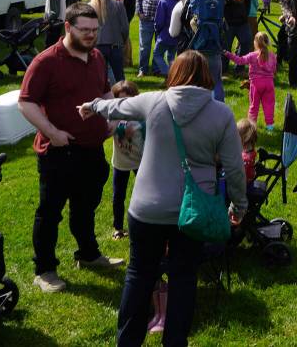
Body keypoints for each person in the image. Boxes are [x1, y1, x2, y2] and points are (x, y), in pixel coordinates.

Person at [81, 51, 247, 346]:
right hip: (193, 213)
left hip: (147, 208)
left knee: (139, 274)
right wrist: (239, 206)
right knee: (184, 278)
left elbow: (117, 105)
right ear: (207, 76)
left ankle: (128, 341)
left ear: (174, 74)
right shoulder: (221, 113)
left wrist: (92, 106)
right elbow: (234, 167)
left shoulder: (153, 100)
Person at [18, 2, 124, 294]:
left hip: (92, 148)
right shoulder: (46, 61)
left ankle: (88, 255)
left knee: (86, 207)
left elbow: (104, 89)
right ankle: (45, 270)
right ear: (68, 27)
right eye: (85, 30)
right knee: (50, 212)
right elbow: (25, 102)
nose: (91, 35)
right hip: (58, 151)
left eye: (94, 29)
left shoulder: (98, 57)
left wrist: (110, 115)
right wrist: (52, 132)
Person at [225, 31, 278, 132]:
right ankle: (270, 127)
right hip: (269, 84)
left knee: (254, 106)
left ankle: (251, 127)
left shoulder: (252, 55)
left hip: (256, 85)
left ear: (256, 43)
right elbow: (274, 70)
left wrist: (228, 54)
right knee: (269, 105)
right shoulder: (272, 56)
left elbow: (239, 61)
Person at [110, 80, 142, 240]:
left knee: (143, 194)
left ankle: (142, 225)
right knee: (118, 196)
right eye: (120, 101)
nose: (125, 105)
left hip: (140, 163)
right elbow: (110, 128)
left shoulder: (141, 116)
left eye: (129, 101)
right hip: (120, 164)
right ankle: (118, 227)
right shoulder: (113, 116)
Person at [90, 0, 130, 84]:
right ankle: (122, 99)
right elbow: (125, 28)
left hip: (97, 46)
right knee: (119, 78)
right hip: (115, 46)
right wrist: (123, 40)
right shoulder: (118, 6)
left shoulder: (90, 7)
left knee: (98, 78)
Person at [136, 0, 167, 78]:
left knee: (159, 46)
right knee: (144, 46)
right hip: (146, 18)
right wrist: (139, 11)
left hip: (162, 19)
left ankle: (156, 69)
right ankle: (143, 69)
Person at [221, 0, 253, 73]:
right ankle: (223, 69)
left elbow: (248, 0)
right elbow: (221, 2)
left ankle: (239, 68)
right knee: (226, 47)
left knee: (246, 42)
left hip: (242, 21)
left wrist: (246, 13)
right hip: (229, 22)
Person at [153, 0, 183, 76]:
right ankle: (174, 75)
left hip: (165, 32)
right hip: (178, 32)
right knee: (171, 56)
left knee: (157, 54)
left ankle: (168, 75)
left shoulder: (163, 0)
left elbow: (159, 20)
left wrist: (158, 30)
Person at [116, 0, 138, 69]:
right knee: (125, 37)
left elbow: (121, 2)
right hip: (128, 12)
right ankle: (127, 60)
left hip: (125, 13)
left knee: (122, 38)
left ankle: (126, 61)